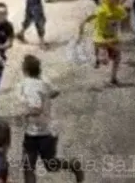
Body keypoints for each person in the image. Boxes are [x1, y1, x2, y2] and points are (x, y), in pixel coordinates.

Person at [17, 54, 84, 183]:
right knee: (47, 165)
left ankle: (73, 165)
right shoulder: (44, 81)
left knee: (31, 167)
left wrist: (24, 114)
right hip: (48, 130)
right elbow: (55, 91)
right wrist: (46, 96)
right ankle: (72, 165)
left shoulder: (28, 85)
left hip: (36, 132)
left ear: (25, 70)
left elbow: (37, 109)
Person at [77, 0, 127, 83]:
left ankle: (113, 77)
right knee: (104, 60)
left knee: (117, 56)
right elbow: (86, 19)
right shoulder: (101, 11)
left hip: (112, 37)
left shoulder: (120, 10)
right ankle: (97, 58)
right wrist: (81, 32)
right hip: (100, 38)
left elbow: (124, 22)